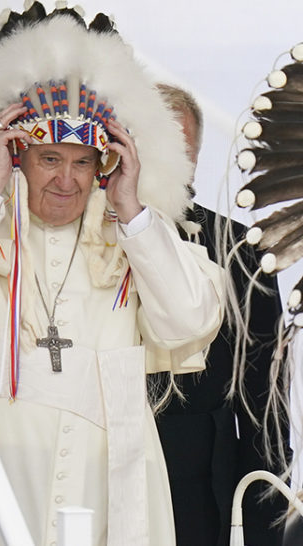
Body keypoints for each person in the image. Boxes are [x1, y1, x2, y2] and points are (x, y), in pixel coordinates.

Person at [0, 6, 225, 545]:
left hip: (102, 472)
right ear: (15, 154)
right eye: (48, 159)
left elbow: (187, 322)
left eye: (83, 162)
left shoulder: (131, 228)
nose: (67, 180)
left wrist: (133, 211)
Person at [151, 83, 288, 546]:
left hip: (198, 502)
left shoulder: (242, 255)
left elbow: (265, 414)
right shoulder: (75, 242)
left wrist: (264, 532)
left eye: (179, 152)